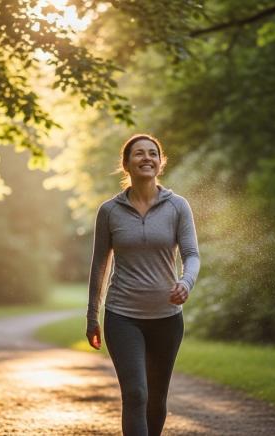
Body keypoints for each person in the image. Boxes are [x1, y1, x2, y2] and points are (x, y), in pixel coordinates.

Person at [86, 133, 200, 436]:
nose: (146, 158)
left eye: (153, 153)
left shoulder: (177, 206)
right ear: (126, 164)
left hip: (167, 319)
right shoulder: (109, 211)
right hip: (122, 317)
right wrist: (91, 317)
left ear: (160, 163)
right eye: (139, 153)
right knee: (136, 394)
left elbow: (192, 255)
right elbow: (99, 264)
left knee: (156, 399)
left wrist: (186, 282)